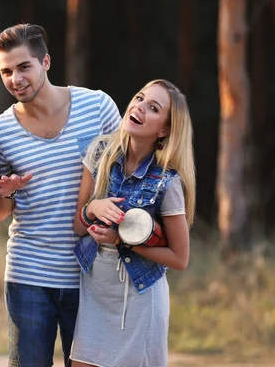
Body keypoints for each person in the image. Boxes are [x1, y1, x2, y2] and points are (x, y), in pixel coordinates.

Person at [0, 23, 122, 367]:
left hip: (91, 271)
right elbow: (0, 212)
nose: (15, 79)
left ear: (45, 62)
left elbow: (127, 176)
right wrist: (9, 192)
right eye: (5, 71)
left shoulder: (98, 106)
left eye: (23, 67)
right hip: (28, 273)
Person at [70, 79, 196, 367]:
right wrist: (93, 208)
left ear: (164, 130)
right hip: (96, 292)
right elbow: (78, 227)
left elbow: (179, 258)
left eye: (153, 108)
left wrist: (118, 240)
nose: (138, 107)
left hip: (140, 298)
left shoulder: (168, 180)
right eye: (139, 98)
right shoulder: (100, 153)